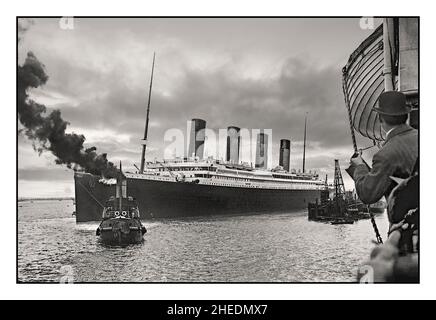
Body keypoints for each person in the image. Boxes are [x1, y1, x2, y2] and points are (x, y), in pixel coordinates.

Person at [346, 91, 418, 206]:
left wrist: (359, 166)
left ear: (380, 119)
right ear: (405, 115)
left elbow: (367, 195)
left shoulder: (385, 154)